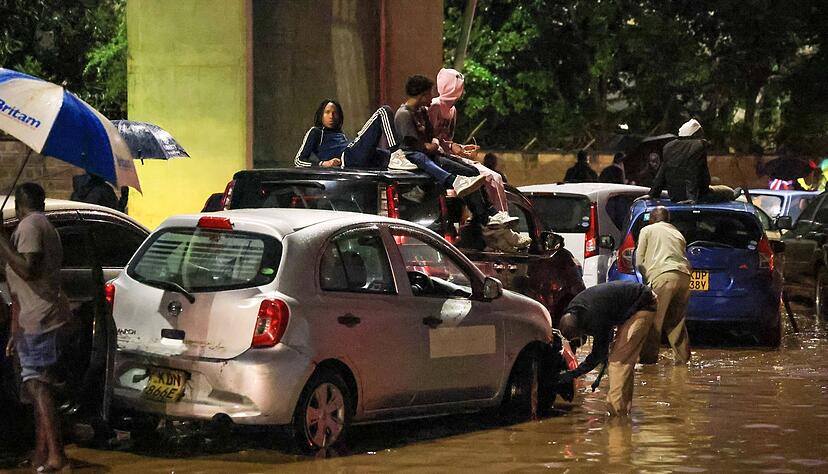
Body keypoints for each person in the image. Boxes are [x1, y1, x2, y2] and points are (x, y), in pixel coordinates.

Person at [1, 183, 71, 472]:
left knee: (38, 387)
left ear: (19, 205)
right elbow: (18, 290)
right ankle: (42, 454)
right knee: (38, 385)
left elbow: (28, 270)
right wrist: (15, 329)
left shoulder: (31, 225)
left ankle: (57, 454)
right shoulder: (42, 226)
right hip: (34, 320)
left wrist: (1, 241)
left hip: (41, 321)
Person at [427, 68, 516, 227]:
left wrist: (460, 147)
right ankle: (494, 217)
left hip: (448, 156)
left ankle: (501, 216)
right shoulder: (434, 106)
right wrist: (452, 147)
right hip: (438, 158)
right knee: (485, 176)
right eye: (459, 85)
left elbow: (446, 140)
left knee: (496, 177)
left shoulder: (453, 110)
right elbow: (430, 139)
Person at [556, 281, 657, 416]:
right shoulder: (576, 310)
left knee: (618, 362)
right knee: (623, 360)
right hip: (633, 302)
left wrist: (574, 373)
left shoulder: (594, 316)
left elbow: (599, 353)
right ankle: (623, 410)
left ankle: (616, 414)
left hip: (643, 304)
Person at [391, 74, 485, 198]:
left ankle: (485, 211)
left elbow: (432, 136)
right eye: (429, 94)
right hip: (418, 156)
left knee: (473, 171)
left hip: (431, 154)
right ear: (422, 95)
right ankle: (456, 186)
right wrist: (433, 145)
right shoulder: (404, 114)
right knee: (467, 173)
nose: (432, 97)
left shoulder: (421, 111)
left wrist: (437, 144)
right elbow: (417, 146)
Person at [635, 207, 691, 364]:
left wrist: (647, 279)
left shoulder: (648, 230)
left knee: (653, 320)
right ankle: (683, 360)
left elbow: (640, 261)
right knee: (676, 321)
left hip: (663, 275)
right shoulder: (677, 233)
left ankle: (648, 362)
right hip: (684, 276)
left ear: (653, 218)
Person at [647, 119, 735, 203]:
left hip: (674, 196)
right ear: (696, 134)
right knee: (728, 191)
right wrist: (691, 197)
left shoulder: (668, 147)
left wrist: (652, 194)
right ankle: (733, 194)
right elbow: (693, 171)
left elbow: (662, 172)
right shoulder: (697, 146)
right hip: (700, 195)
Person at [294, 99, 398, 169]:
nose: (331, 116)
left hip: (360, 160)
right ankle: (396, 152)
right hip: (348, 157)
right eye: (327, 112)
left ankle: (400, 156)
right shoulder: (315, 132)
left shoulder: (340, 134)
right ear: (321, 115)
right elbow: (298, 161)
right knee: (384, 111)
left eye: (334, 113)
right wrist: (323, 163)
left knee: (397, 158)